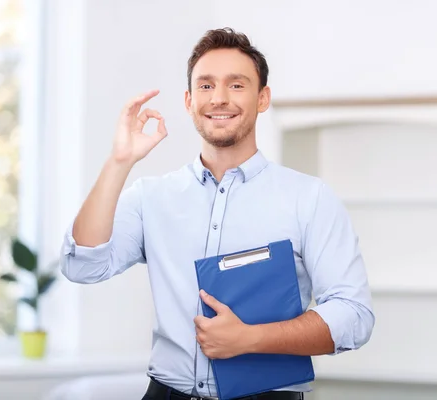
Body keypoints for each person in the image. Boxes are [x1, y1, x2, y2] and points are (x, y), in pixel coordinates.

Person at [59, 27, 375, 400]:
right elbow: (82, 266)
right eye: (206, 86)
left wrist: (251, 338)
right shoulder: (151, 197)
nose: (220, 99)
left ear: (263, 98)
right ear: (189, 100)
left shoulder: (310, 198)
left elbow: (354, 316)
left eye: (237, 85)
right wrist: (119, 162)